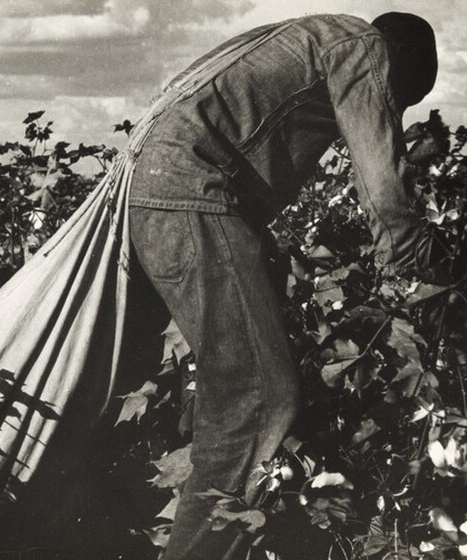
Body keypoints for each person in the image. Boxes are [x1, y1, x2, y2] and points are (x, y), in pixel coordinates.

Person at [127, 12, 438, 560]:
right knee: (256, 398)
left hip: (158, 193)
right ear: (400, 59)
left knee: (233, 380)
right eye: (399, 98)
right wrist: (412, 280)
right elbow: (383, 189)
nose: (393, 111)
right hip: (194, 195)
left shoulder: (310, 36)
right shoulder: (364, 47)